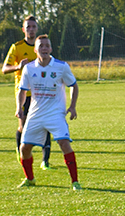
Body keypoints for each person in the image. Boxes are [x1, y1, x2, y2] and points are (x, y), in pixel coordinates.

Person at [16, 35, 81, 191]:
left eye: (47, 46)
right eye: (41, 46)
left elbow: (74, 85)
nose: (44, 48)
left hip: (55, 114)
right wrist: (19, 107)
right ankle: (30, 179)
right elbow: (22, 91)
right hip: (35, 114)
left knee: (64, 143)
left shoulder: (61, 66)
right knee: (24, 148)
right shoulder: (29, 68)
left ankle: (75, 182)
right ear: (35, 50)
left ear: (51, 49)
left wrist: (72, 106)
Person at [3, 16, 53, 168]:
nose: (31, 29)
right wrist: (18, 67)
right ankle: (21, 151)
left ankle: (45, 161)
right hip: (24, 94)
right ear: (24, 29)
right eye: (28, 27)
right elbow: (4, 69)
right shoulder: (17, 47)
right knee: (23, 126)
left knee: (45, 125)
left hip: (41, 94)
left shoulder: (41, 47)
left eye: (33, 26)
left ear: (37, 29)